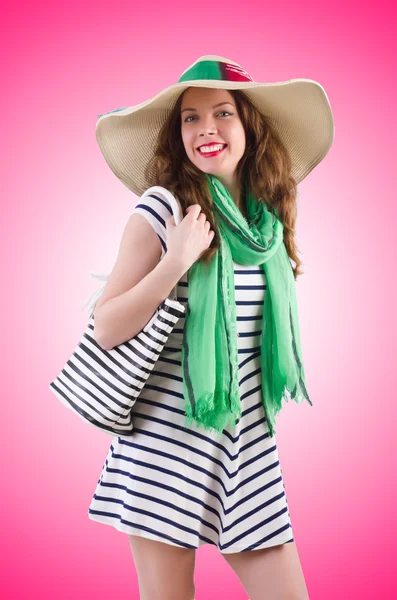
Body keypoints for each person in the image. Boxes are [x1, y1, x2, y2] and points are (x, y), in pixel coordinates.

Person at [87, 55, 334, 600]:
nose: (206, 130)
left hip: (245, 446)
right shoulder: (162, 211)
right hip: (163, 446)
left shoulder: (263, 222)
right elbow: (105, 326)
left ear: (250, 126)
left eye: (222, 113)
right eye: (190, 119)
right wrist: (175, 263)